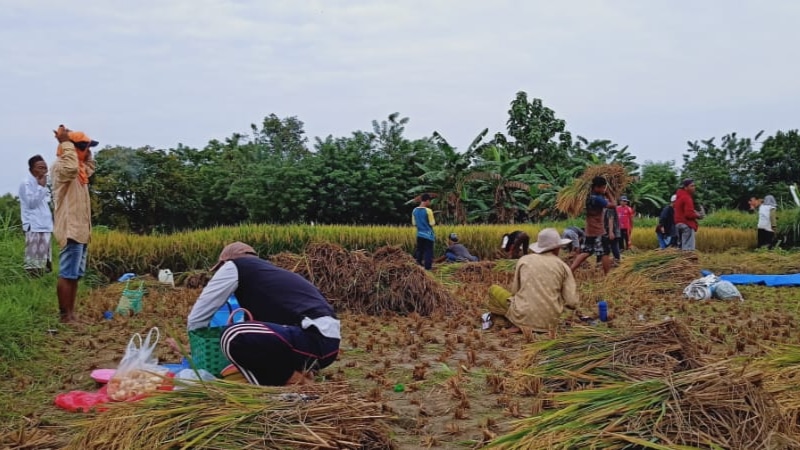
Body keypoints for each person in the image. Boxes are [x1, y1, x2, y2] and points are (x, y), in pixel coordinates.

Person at [187, 242, 341, 386]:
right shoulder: (269, 276)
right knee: (248, 336)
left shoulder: (235, 265)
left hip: (314, 338)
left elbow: (199, 315)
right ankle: (298, 374)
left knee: (233, 335)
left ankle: (295, 382)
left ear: (225, 263)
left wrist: (194, 346)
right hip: (324, 344)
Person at [485, 228, 579, 333]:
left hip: (522, 316)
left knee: (493, 290)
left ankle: (514, 323)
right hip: (550, 323)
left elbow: (514, 291)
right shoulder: (563, 267)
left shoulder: (524, 260)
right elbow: (572, 302)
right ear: (557, 248)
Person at [51, 126, 97, 323]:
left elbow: (90, 166)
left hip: (81, 230)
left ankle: (71, 313)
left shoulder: (81, 171)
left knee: (75, 275)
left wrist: (85, 151)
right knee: (67, 274)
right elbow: (70, 167)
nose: (87, 151)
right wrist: (66, 142)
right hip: (71, 229)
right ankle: (65, 316)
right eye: (85, 147)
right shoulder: (62, 167)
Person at [570, 176, 616, 275]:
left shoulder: (587, 197)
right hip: (598, 231)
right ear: (596, 187)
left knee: (586, 252)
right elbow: (613, 205)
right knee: (605, 252)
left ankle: (570, 270)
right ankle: (607, 276)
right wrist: (608, 194)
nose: (604, 189)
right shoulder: (597, 199)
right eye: (603, 187)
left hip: (589, 230)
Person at [19, 155, 53, 276]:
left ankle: (44, 281)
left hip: (45, 225)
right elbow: (31, 203)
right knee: (33, 260)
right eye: (40, 167)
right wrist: (41, 187)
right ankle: (32, 281)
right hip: (33, 225)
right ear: (31, 169)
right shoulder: (26, 183)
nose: (44, 170)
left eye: (45, 168)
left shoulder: (44, 182)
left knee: (45, 259)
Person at [674, 179, 702, 251]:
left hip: (678, 224)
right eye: (691, 186)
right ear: (685, 187)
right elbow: (688, 214)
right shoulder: (687, 197)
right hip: (686, 224)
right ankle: (687, 261)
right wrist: (698, 215)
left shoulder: (679, 196)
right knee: (688, 249)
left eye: (694, 186)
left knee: (681, 247)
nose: (694, 187)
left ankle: (680, 261)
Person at [412, 193, 436, 270]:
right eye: (429, 201)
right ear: (427, 200)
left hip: (419, 234)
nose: (430, 203)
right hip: (428, 235)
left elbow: (414, 223)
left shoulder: (414, 210)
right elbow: (432, 223)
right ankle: (428, 268)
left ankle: (418, 265)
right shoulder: (428, 211)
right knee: (428, 251)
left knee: (419, 250)